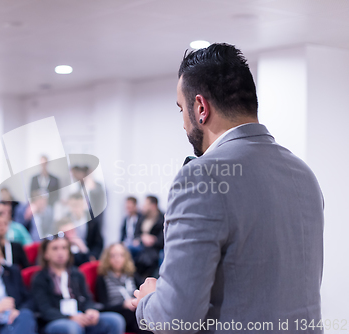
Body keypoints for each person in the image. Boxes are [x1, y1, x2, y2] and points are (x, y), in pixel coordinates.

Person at [132, 43, 324, 333]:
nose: (183, 123)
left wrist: (149, 301)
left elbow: (176, 319)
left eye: (181, 109)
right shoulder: (304, 173)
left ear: (200, 108)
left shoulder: (202, 176)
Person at [32, 235, 125, 334]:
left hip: (81, 316)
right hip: (56, 321)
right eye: (55, 248)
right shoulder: (40, 278)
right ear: (46, 254)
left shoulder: (77, 274)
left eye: (64, 248)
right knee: (73, 328)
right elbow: (45, 310)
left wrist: (91, 310)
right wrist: (70, 317)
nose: (60, 252)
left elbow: (88, 298)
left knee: (115, 320)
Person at [96, 244, 148, 334]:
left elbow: (144, 290)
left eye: (121, 255)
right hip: (118, 313)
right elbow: (104, 306)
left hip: (136, 309)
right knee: (138, 320)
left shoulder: (131, 274)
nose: (117, 259)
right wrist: (123, 305)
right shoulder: (103, 278)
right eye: (113, 256)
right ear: (107, 258)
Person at [130, 196, 164, 278]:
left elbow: (162, 239)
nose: (143, 206)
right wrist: (143, 238)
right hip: (140, 245)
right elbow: (136, 234)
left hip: (155, 248)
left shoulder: (162, 219)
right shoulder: (142, 217)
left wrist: (153, 240)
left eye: (146, 204)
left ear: (153, 205)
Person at [66, 193, 103, 264]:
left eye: (79, 205)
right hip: (69, 255)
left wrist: (93, 255)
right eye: (73, 205)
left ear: (84, 205)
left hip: (87, 254)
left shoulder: (93, 221)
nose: (76, 208)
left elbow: (98, 242)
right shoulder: (65, 220)